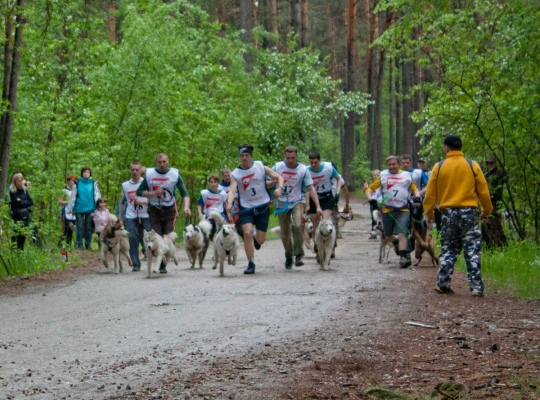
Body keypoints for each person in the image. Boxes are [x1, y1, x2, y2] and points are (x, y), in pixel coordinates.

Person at [424, 134, 493, 296]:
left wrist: (429, 213)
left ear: (446, 147)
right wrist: (486, 211)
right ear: (460, 147)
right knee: (472, 248)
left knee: (449, 247)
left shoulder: (439, 167)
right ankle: (476, 288)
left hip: (448, 213)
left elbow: (430, 194)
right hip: (469, 213)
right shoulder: (472, 165)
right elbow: (483, 191)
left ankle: (442, 283)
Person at [225, 144, 284, 274]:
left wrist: (279, 189)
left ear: (251, 156)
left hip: (262, 206)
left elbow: (279, 177)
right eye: (242, 156)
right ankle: (251, 263)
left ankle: (255, 236)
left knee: (261, 240)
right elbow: (232, 191)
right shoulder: (235, 174)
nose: (244, 158)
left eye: (247, 155)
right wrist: (229, 203)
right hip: (246, 207)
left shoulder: (260, 166)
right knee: (247, 233)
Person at [137, 153, 191, 273]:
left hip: (169, 209)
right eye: (159, 162)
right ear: (156, 162)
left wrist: (186, 207)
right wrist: (153, 193)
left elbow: (185, 193)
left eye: (164, 161)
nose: (162, 164)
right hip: (154, 209)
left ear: (168, 161)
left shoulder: (175, 174)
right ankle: (161, 264)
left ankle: (167, 253)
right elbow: (139, 191)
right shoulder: (150, 174)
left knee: (168, 235)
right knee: (156, 236)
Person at [366, 155, 420, 268]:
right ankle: (396, 242)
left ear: (399, 164)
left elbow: (414, 189)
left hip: (403, 209)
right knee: (388, 236)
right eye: (389, 165)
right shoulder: (383, 175)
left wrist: (417, 197)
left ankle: (403, 257)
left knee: (402, 233)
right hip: (387, 210)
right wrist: (371, 199)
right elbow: (370, 188)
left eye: (394, 164)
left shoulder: (406, 176)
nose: (392, 167)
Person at [272, 146, 321, 269]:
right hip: (281, 202)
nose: (290, 160)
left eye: (293, 158)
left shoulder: (303, 169)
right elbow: (265, 183)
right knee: (285, 233)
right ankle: (288, 255)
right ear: (284, 156)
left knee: (297, 225)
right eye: (288, 158)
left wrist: (318, 206)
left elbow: (311, 188)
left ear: (296, 156)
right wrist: (275, 184)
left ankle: (298, 255)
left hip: (297, 201)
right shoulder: (277, 167)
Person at [120, 161, 151, 271]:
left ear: (141, 170)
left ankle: (155, 261)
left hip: (146, 215)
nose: (134, 172)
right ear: (130, 170)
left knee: (149, 238)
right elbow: (122, 202)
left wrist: (142, 202)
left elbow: (153, 200)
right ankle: (136, 264)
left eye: (137, 170)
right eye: (132, 169)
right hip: (131, 215)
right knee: (132, 238)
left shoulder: (147, 183)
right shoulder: (125, 185)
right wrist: (120, 218)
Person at [306, 151, 342, 239]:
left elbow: (338, 179)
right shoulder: (306, 171)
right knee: (314, 222)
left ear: (320, 160)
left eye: (315, 162)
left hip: (327, 197)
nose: (313, 165)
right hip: (314, 198)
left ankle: (330, 242)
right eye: (311, 162)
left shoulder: (328, 168)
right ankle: (316, 242)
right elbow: (307, 189)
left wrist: (337, 192)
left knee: (325, 221)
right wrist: (307, 205)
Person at [68, 167, 101, 250]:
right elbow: (73, 197)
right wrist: (72, 208)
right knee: (79, 227)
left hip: (90, 208)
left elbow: (97, 196)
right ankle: (79, 244)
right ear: (82, 173)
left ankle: (88, 244)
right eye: (84, 172)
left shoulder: (93, 183)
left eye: (88, 172)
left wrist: (98, 207)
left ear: (90, 174)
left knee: (88, 227)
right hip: (79, 208)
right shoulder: (77, 183)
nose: (86, 173)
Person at [481, 155, 507, 248]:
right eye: (487, 163)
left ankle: (499, 244)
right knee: (485, 224)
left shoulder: (498, 174)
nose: (489, 165)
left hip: (495, 204)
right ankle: (487, 245)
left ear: (495, 163)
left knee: (495, 225)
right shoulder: (485, 174)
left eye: (491, 163)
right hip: (486, 203)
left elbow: (496, 189)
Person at [197, 173, 228, 239]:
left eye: (215, 182)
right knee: (208, 233)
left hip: (220, 214)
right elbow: (199, 204)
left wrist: (228, 214)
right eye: (211, 182)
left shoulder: (223, 194)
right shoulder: (205, 193)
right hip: (208, 215)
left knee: (224, 230)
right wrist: (200, 213)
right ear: (209, 183)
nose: (213, 184)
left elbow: (226, 205)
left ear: (218, 183)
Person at [8, 173, 34, 250]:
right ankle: (15, 250)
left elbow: (31, 202)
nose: (21, 182)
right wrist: (22, 202)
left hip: (25, 215)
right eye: (19, 181)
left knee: (23, 235)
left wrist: (22, 202)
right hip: (16, 216)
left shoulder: (24, 190)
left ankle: (21, 251)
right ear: (15, 182)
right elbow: (16, 202)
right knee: (16, 234)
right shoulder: (12, 191)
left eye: (21, 180)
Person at [58, 175, 77, 247]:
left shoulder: (76, 191)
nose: (73, 182)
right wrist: (69, 202)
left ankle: (68, 246)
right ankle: (59, 245)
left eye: (75, 181)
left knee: (71, 230)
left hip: (74, 213)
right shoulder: (64, 191)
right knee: (65, 229)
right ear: (68, 182)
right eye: (72, 180)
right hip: (65, 212)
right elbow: (60, 201)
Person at [363, 170, 381, 239]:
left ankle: (382, 232)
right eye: (374, 175)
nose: (376, 176)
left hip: (380, 202)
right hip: (373, 202)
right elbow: (369, 193)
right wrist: (366, 189)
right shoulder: (372, 184)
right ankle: (373, 233)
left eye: (377, 175)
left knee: (381, 218)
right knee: (373, 218)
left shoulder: (381, 183)